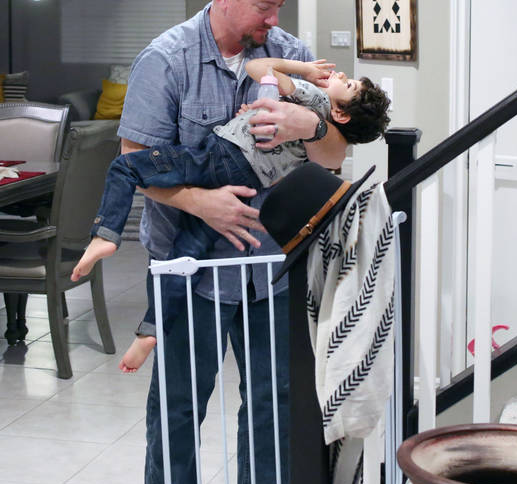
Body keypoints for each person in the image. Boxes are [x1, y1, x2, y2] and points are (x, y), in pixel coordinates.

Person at [118, 0, 351, 484]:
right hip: (190, 267)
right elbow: (135, 164)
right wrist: (199, 203)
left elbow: (335, 156)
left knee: (274, 398)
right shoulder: (165, 61)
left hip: (273, 265)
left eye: (279, 7)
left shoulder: (290, 56)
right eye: (262, 7)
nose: (273, 22)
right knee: (181, 402)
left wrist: (311, 128)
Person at [72, 56, 390, 372]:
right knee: (186, 256)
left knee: (125, 166)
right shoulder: (320, 136)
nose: (343, 74)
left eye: (348, 85)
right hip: (243, 180)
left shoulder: (314, 96)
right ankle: (150, 330)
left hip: (220, 156)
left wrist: (304, 71)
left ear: (340, 113)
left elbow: (256, 68)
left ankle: (105, 235)